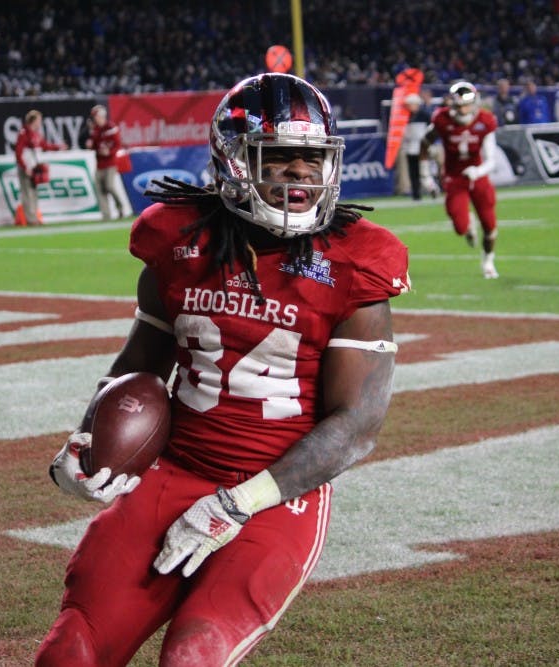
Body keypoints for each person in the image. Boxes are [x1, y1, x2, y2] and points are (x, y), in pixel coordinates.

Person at [35, 73, 410, 666]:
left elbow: (359, 422)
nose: (301, 175)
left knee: (191, 658)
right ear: (234, 162)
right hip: (175, 471)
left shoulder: (355, 262)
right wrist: (89, 439)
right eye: (279, 158)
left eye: (312, 160)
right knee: (71, 651)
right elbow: (139, 364)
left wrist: (240, 502)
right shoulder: (178, 239)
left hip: (275, 496)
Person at [421, 80, 500, 279]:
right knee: (460, 227)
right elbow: (424, 144)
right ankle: (468, 224)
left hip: (478, 176)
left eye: (467, 105)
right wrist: (425, 177)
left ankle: (488, 261)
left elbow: (492, 160)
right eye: (459, 106)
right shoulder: (442, 119)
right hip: (455, 177)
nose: (463, 110)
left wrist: (478, 171)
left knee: (490, 225)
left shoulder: (485, 120)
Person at [14, 109, 66, 226]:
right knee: (27, 193)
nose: (40, 123)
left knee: (34, 193)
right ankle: (30, 219)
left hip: (34, 167)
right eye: (38, 120)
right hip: (26, 167)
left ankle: (35, 217)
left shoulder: (36, 134)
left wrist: (58, 147)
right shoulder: (24, 133)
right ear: (33, 121)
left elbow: (44, 145)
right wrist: (24, 166)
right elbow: (18, 152)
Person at [86, 104, 132, 220]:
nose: (94, 119)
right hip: (99, 163)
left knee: (110, 186)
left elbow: (118, 145)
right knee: (99, 189)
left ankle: (121, 208)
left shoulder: (111, 127)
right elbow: (94, 146)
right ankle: (106, 215)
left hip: (110, 163)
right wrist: (90, 145)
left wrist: (109, 152)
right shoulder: (95, 130)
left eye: (95, 116)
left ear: (102, 116)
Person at [401, 93, 430, 199]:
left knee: (424, 170)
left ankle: (430, 189)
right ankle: (416, 193)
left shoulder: (425, 115)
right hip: (410, 147)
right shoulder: (405, 116)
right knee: (413, 171)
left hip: (423, 147)